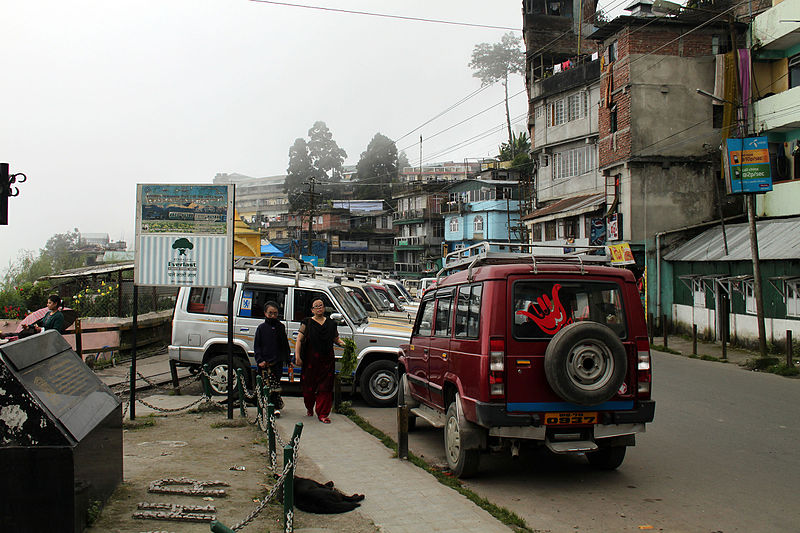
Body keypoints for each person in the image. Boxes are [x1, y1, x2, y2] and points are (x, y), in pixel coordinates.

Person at [294, 297, 344, 424]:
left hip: (327, 361)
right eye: (316, 306)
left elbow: (336, 339)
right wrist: (297, 356)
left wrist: (346, 345)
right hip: (311, 361)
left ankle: (322, 413)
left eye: (321, 305)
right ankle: (309, 407)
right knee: (309, 388)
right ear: (312, 310)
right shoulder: (307, 322)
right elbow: (299, 340)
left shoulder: (331, 324)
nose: (319, 308)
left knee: (325, 388)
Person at [253, 301, 290, 417]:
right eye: (270, 313)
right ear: (265, 313)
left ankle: (275, 407)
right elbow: (257, 346)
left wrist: (288, 360)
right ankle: (267, 406)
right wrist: (260, 360)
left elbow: (285, 345)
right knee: (266, 386)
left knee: (276, 386)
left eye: (275, 313)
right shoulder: (261, 328)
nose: (273, 316)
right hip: (264, 363)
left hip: (277, 362)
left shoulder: (280, 327)